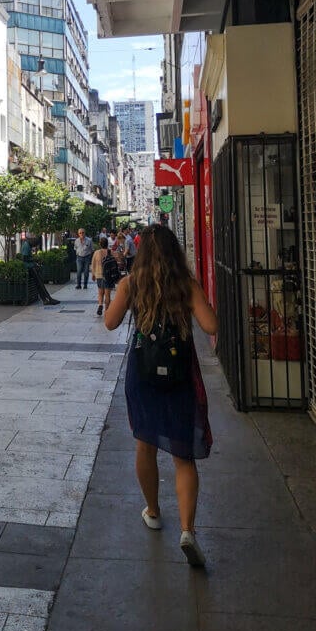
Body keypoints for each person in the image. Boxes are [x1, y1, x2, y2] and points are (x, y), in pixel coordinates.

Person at [104, 224, 218, 568]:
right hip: (180, 376)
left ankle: (153, 511)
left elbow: (110, 323)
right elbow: (211, 326)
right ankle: (187, 530)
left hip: (143, 376)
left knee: (145, 444)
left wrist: (119, 295)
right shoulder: (186, 285)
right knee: (184, 457)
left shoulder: (132, 285)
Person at [21, 237, 61, 306]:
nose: (34, 246)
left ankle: (46, 299)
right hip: (30, 268)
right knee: (40, 284)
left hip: (31, 266)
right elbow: (24, 258)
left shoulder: (27, 245)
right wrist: (33, 260)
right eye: (35, 245)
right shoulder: (26, 245)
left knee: (40, 284)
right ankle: (48, 299)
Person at [91, 236, 118, 316]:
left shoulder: (96, 252)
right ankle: (107, 310)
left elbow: (93, 264)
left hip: (99, 275)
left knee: (100, 292)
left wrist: (93, 274)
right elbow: (116, 260)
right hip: (108, 276)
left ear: (100, 244)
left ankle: (100, 305)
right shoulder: (111, 252)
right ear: (107, 244)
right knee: (107, 294)